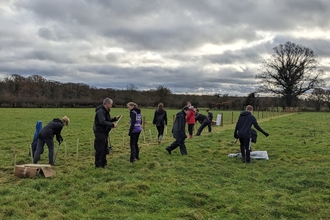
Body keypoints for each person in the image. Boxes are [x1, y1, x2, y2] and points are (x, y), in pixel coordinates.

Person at [93, 98, 121, 168]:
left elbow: (107, 120)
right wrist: (112, 125)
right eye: (111, 104)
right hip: (100, 132)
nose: (111, 106)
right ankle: (98, 165)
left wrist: (114, 119)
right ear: (107, 104)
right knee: (100, 149)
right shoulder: (100, 111)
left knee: (104, 148)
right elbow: (102, 121)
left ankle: (103, 163)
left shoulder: (105, 111)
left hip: (104, 132)